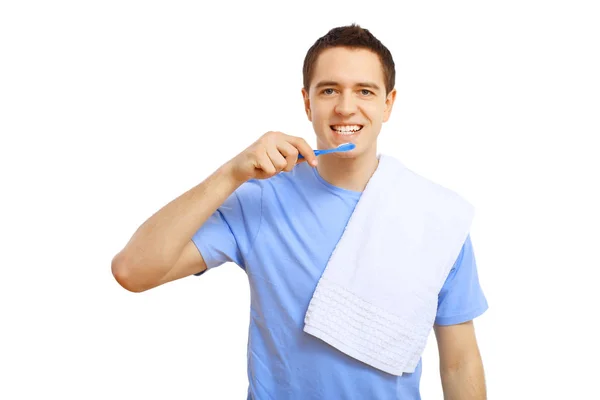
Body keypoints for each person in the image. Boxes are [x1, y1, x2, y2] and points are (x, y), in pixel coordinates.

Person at [112, 24, 488, 400]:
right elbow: (132, 270)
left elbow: (459, 362)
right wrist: (231, 173)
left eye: (364, 91)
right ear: (307, 102)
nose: (345, 107)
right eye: (329, 90)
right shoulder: (260, 201)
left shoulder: (437, 218)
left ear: (388, 103)